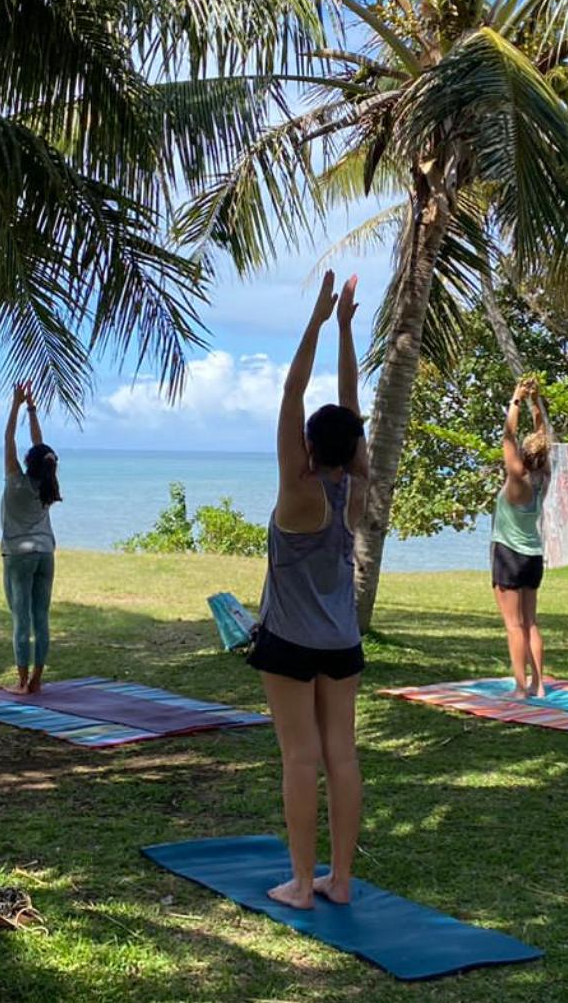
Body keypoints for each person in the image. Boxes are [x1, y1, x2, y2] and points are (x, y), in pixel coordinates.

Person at [247, 270, 366, 910]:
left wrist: (317, 323)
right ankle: (339, 881)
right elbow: (350, 406)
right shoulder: (357, 487)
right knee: (340, 755)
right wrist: (346, 329)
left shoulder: (299, 493)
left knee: (300, 758)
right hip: (342, 642)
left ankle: (301, 883)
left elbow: (293, 390)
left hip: (290, 642)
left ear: (309, 447)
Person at [492, 376, 552, 697]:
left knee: (514, 625)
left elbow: (508, 435)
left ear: (523, 456)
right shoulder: (544, 476)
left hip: (509, 555)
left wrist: (517, 397)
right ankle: (538, 685)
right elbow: (542, 435)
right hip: (533, 556)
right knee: (530, 623)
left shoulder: (518, 478)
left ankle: (519, 687)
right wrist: (535, 401)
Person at [2, 381, 60, 695]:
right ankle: (37, 679)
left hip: (18, 555)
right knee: (41, 617)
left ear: (28, 463)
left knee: (20, 619)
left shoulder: (15, 481)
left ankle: (22, 682)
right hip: (45, 554)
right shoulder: (49, 486)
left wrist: (16, 404)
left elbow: (9, 438)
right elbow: (41, 447)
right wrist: (32, 409)